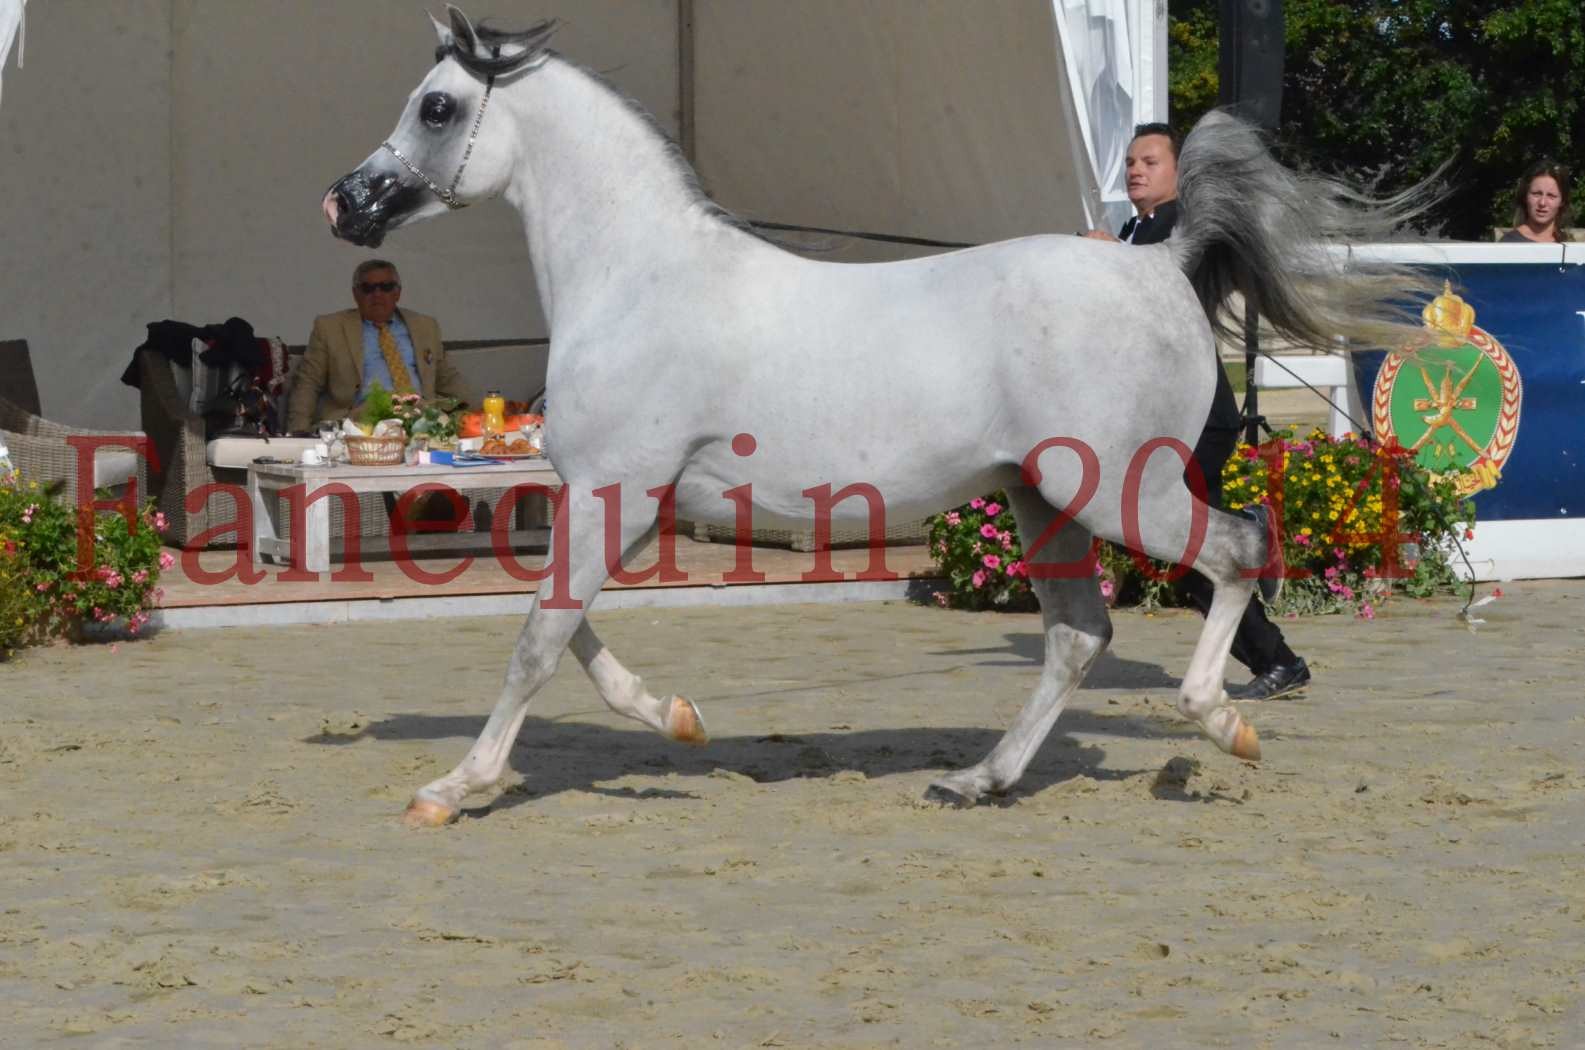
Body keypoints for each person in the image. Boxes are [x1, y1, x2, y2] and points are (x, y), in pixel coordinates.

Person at [1087, 122, 1311, 700]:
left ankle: (1275, 648)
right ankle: (1273, 642)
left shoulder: (1183, 228)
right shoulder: (1135, 229)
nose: (1136, 170)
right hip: (1167, 416)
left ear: (1179, 174)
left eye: (1150, 161)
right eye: (1132, 161)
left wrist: (1112, 259)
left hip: (1197, 417)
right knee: (1179, 551)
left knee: (1183, 549)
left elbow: (1165, 282)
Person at [287, 259, 468, 432]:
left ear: (398, 293)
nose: (377, 294)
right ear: (355, 294)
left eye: (386, 287)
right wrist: (298, 432)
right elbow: (308, 382)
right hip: (361, 421)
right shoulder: (329, 328)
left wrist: (475, 415)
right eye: (368, 288)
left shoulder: (425, 326)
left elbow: (448, 379)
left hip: (419, 418)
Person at [1500, 161, 1573, 243]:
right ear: (1525, 197)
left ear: (1562, 201)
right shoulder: (1509, 244)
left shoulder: (1569, 245)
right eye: (1536, 194)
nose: (1542, 203)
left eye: (1551, 196)